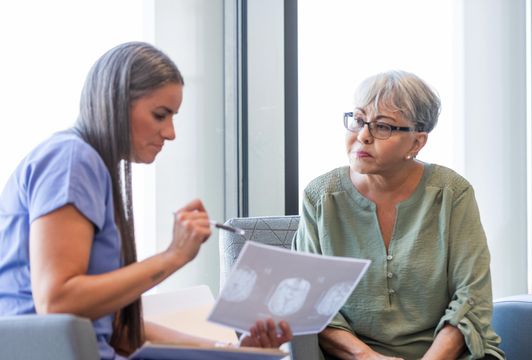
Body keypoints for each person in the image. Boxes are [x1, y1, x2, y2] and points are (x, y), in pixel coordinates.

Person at [0, 42, 291, 360]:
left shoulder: (90, 166)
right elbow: (57, 303)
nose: (170, 133)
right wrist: (173, 256)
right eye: (160, 115)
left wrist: (231, 351)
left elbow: (119, 330)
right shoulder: (72, 159)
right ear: (116, 103)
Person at [292, 70, 505, 360]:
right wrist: (367, 357)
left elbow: (471, 298)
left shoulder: (451, 194)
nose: (363, 136)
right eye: (357, 120)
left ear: (417, 143)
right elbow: (311, 305)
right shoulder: (320, 198)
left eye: (383, 127)